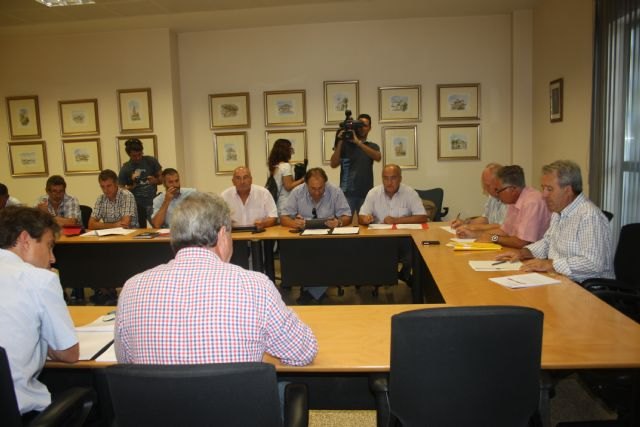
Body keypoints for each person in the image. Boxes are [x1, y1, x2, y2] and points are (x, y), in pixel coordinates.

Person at [114, 192, 317, 367]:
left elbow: (124, 361)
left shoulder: (132, 288)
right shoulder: (256, 286)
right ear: (222, 234)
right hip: (234, 401)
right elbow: (303, 353)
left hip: (157, 401)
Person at [0, 206, 78, 417]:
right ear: (25, 239)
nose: (52, 258)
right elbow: (69, 354)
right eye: (49, 246)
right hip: (18, 412)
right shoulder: (39, 279)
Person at [496, 160, 614, 283]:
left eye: (549, 189)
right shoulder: (558, 212)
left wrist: (550, 264)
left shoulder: (589, 216)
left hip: (586, 288)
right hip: (559, 280)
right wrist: (524, 253)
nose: (544, 195)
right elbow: (548, 242)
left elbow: (592, 264)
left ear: (567, 190)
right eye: (543, 188)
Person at [280, 167, 352, 303]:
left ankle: (311, 293)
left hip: (328, 238)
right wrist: (294, 223)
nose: (317, 192)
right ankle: (317, 292)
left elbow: (347, 215)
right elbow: (284, 217)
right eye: (313, 189)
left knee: (330, 253)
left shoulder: (335, 191)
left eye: (321, 188)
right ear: (306, 184)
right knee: (298, 253)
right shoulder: (297, 192)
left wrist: (339, 222)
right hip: (303, 238)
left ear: (325, 183)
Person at [456, 165, 551, 248]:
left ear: (512, 189)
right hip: (521, 251)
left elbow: (522, 242)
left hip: (536, 257)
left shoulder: (532, 202)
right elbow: (505, 231)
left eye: (499, 190)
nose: (497, 193)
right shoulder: (514, 200)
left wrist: (493, 238)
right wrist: (475, 234)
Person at [330, 113, 381, 214]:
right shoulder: (345, 145)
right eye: (359, 124)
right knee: (344, 221)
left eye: (365, 125)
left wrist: (358, 142)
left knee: (365, 220)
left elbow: (378, 157)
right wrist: (340, 141)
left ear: (370, 128)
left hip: (366, 192)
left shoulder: (372, 146)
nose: (362, 128)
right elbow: (333, 164)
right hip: (346, 193)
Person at [118, 138, 162, 228]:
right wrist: (130, 187)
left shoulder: (151, 161)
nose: (138, 158)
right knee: (139, 230)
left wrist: (156, 180)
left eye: (140, 154)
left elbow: (162, 179)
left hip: (152, 203)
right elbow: (119, 189)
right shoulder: (126, 168)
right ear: (129, 155)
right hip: (135, 205)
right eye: (134, 156)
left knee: (159, 227)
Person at [451, 163, 507, 230]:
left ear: (498, 182)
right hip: (491, 235)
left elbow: (502, 227)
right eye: (484, 185)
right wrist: (465, 223)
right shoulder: (492, 197)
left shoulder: (509, 199)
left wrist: (472, 227)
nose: (485, 189)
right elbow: (485, 219)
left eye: (488, 185)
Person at [268, 138, 304, 215]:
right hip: (286, 204)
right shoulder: (285, 166)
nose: (291, 151)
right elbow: (288, 186)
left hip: (278, 203)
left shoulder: (275, 166)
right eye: (290, 149)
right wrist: (303, 179)